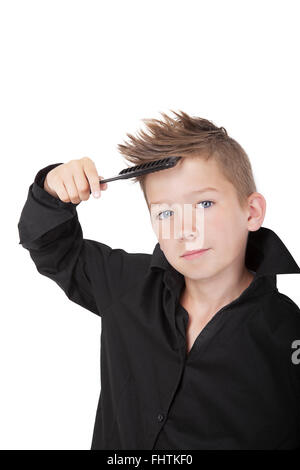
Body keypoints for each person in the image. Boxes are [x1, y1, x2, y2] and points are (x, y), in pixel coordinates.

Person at [17, 110, 300, 450]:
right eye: (165, 212)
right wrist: (52, 188)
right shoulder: (126, 283)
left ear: (251, 212)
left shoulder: (287, 333)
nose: (184, 229)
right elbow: (50, 247)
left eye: (204, 203)